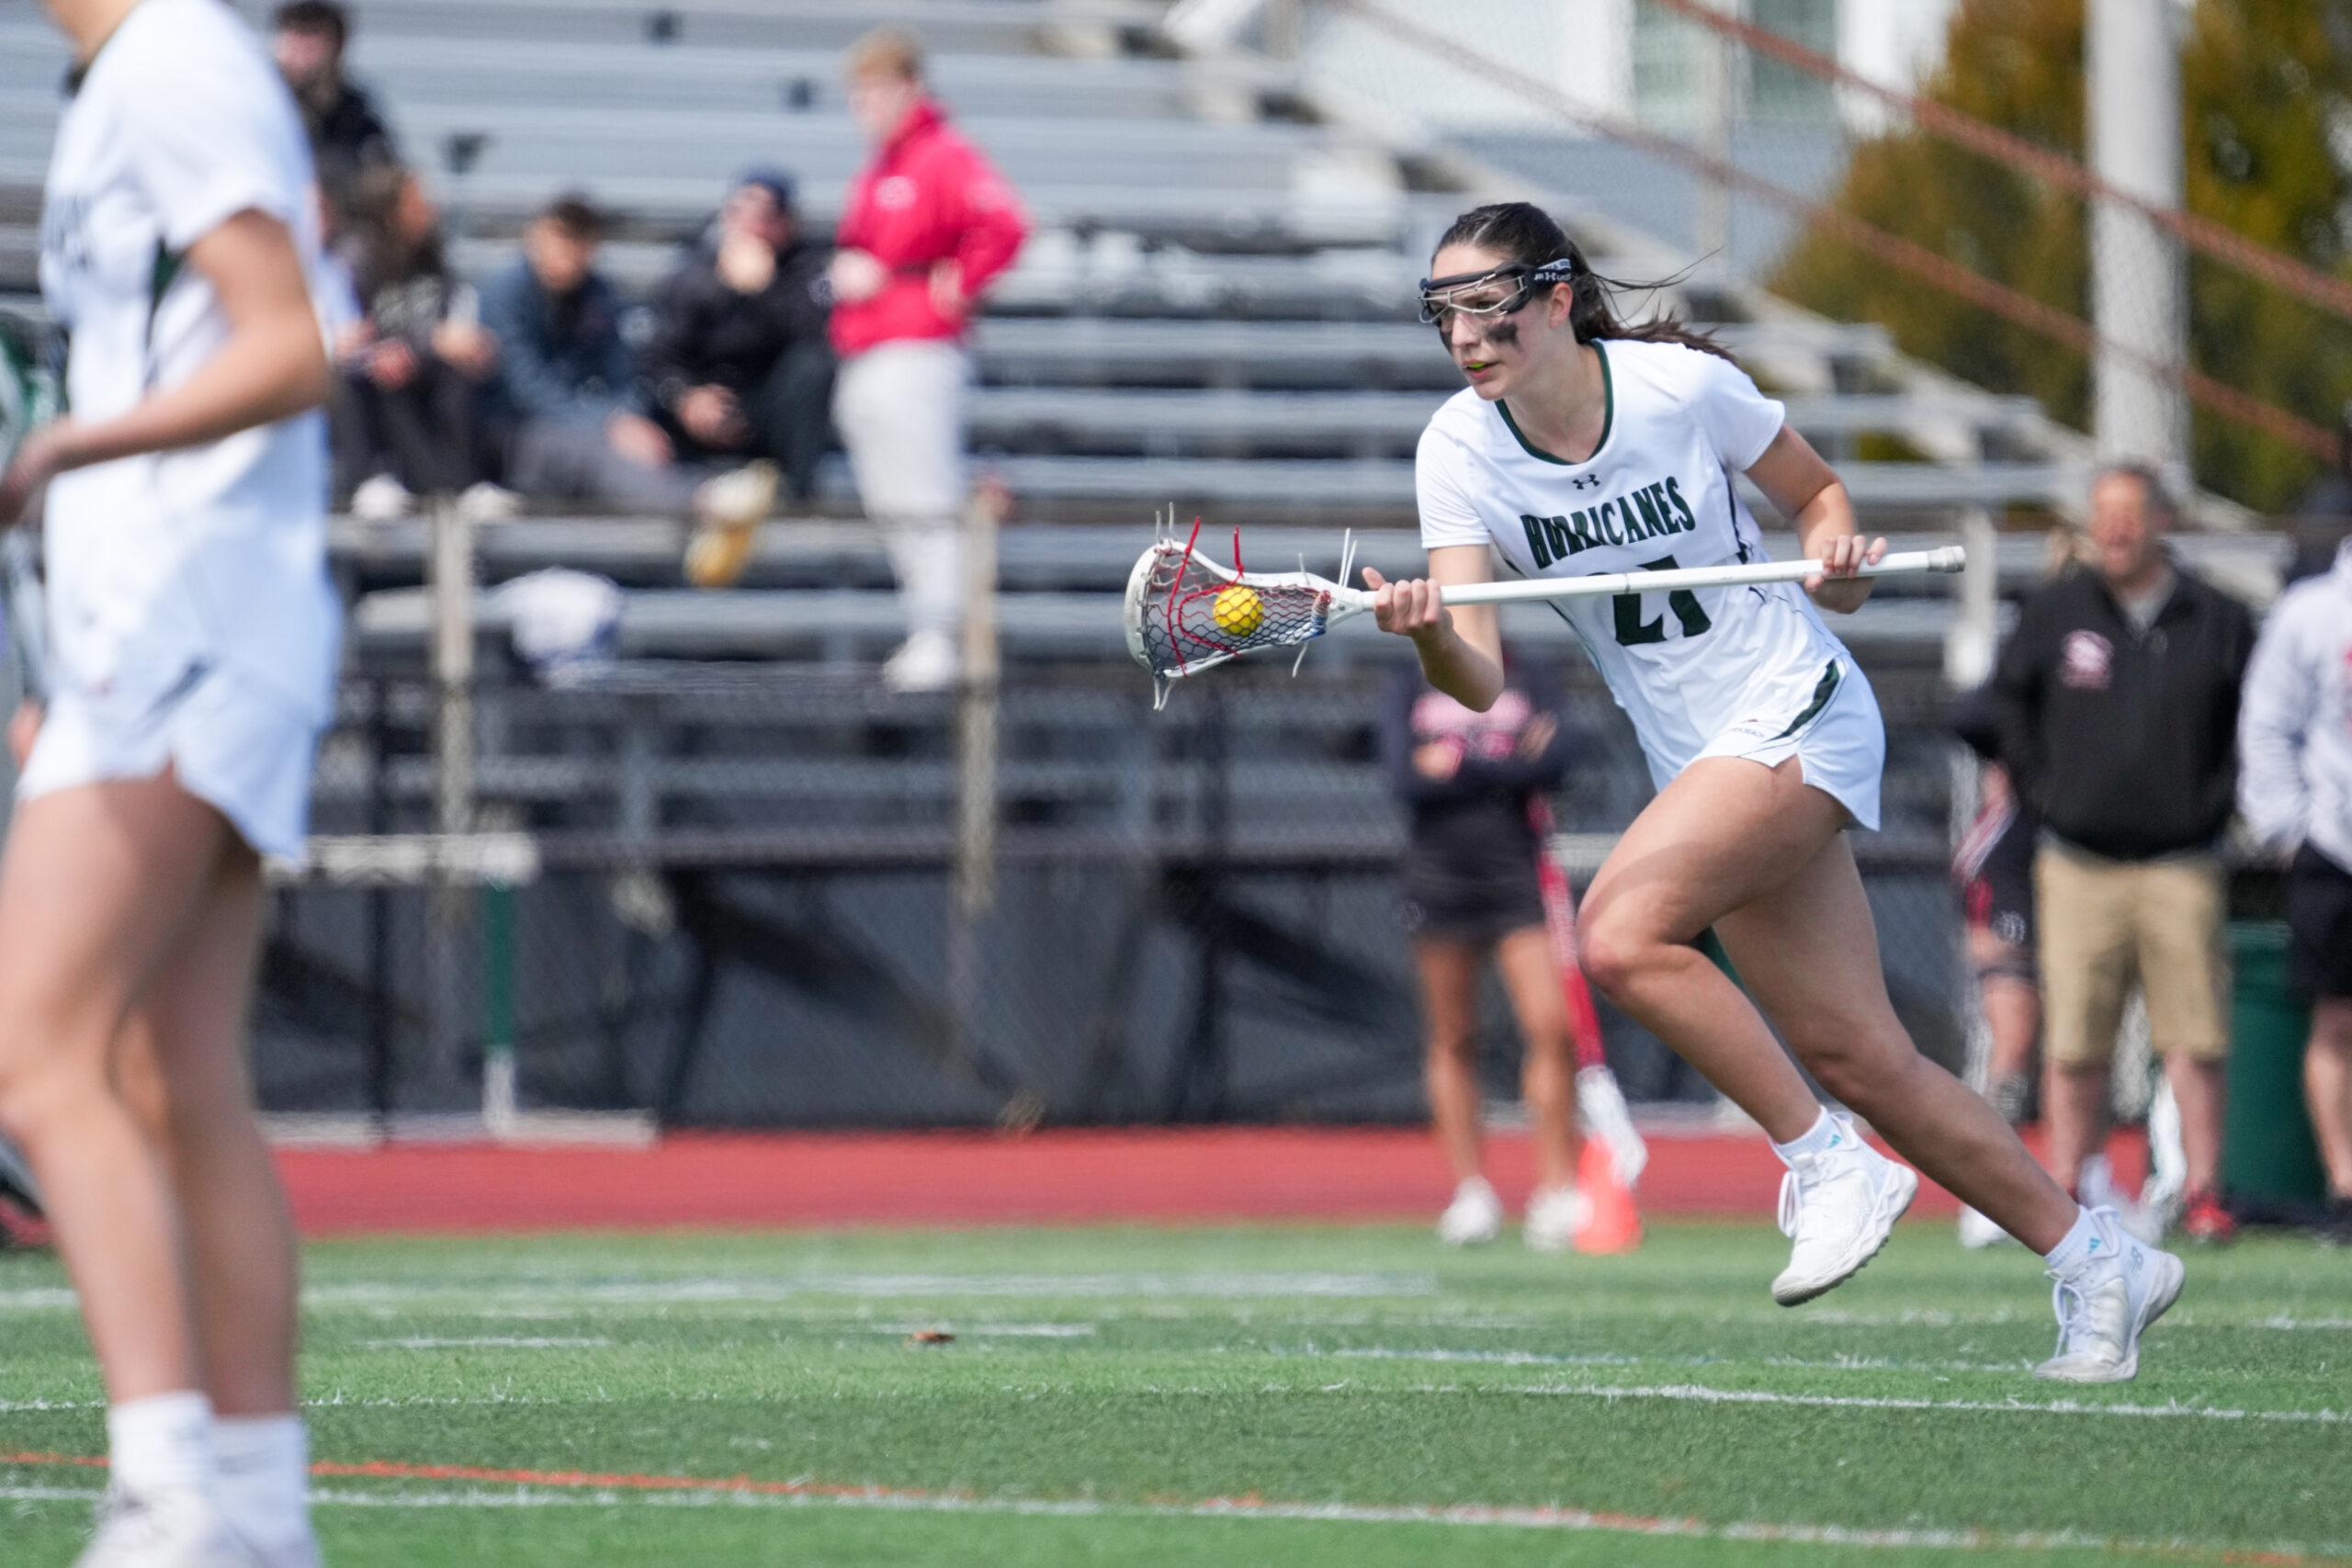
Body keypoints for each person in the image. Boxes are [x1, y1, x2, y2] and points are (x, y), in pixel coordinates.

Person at [1368, 200, 2180, 1382]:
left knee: (1617, 935)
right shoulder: (1456, 450)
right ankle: (2096, 1255)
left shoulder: (1675, 391)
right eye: (1442, 312)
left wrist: (1839, 561)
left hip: (1794, 703)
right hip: (1700, 760)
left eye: (1485, 305)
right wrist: (1428, 636)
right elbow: (1477, 674)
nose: (1463, 334)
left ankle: (1821, 1162)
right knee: (1866, 1059)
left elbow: (1819, 501)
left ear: (1554, 297)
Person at [0, 0, 342, 1557]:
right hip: (189, 619)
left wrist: (65, 448)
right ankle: (257, 1514)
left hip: (188, 619)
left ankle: (169, 1495)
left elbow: (288, 342)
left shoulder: (169, 62)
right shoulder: (131, 74)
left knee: (36, 1052)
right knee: (169, 1075)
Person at [1989, 467, 2255, 1245]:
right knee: (2075, 1040)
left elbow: (2255, 715)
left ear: (2161, 519)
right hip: (2078, 862)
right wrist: (2045, 792)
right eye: (2102, 515)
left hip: (2182, 860)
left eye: (2129, 515)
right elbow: (2004, 704)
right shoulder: (2057, 610)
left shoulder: (2217, 615)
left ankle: (2202, 1190)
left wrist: (2218, 801)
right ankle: (2068, 1187)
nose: (2114, 530)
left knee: (2196, 1037)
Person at [830, 26, 1027, 692]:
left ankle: (944, 633)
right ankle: (927, 627)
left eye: (875, 91)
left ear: (908, 88)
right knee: (894, 503)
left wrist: (959, 283)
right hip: (871, 344)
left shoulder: (939, 154)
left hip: (916, 347)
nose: (865, 106)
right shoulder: (882, 164)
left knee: (926, 496)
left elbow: (1005, 224)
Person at [1384, 651, 1594, 1249]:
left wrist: (1457, 763)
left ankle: (1557, 1190)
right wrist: (1504, 763)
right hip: (1437, 875)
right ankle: (1471, 1192)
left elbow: (1557, 763)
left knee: (1550, 1026)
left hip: (1518, 875)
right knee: (1453, 1035)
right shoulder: (1408, 677)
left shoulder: (1530, 670)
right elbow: (1401, 777)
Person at [481, 193, 775, 545]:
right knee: (589, 450)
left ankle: (704, 508)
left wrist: (629, 419)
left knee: (646, 435)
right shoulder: (504, 293)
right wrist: (609, 424)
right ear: (536, 239)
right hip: (515, 437)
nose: (567, 256)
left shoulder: (597, 293)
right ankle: (703, 503)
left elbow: (622, 373)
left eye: (578, 244)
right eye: (560, 241)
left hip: (579, 424)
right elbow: (527, 391)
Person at [2238, 532, 2352, 1233]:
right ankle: (2345, 1182)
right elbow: (2269, 723)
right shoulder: (2313, 611)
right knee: (2336, 1020)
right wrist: (2290, 827)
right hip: (2334, 847)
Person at [640, 169, 829, 583]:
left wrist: (765, 290)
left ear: (786, 222)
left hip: (770, 413)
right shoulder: (693, 270)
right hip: (700, 410)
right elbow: (660, 356)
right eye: (740, 210)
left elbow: (819, 336)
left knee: (813, 368)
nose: (749, 224)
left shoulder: (807, 265)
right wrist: (687, 398)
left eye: (764, 214)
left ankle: (795, 496)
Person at [330, 163, 501, 518]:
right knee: (360, 377)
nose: (430, 209)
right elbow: (346, 336)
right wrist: (412, 344)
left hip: (419, 373)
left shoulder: (432, 258)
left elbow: (452, 318)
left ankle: (463, 485)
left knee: (462, 366)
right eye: (418, 202)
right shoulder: (355, 260)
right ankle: (369, 481)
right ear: (390, 211)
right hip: (367, 379)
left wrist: (465, 344)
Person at [269, 0, 394, 215]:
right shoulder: (264, 107)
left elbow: (384, 182)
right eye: (292, 35)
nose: (298, 51)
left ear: (337, 47)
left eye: (310, 37)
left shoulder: (359, 118)